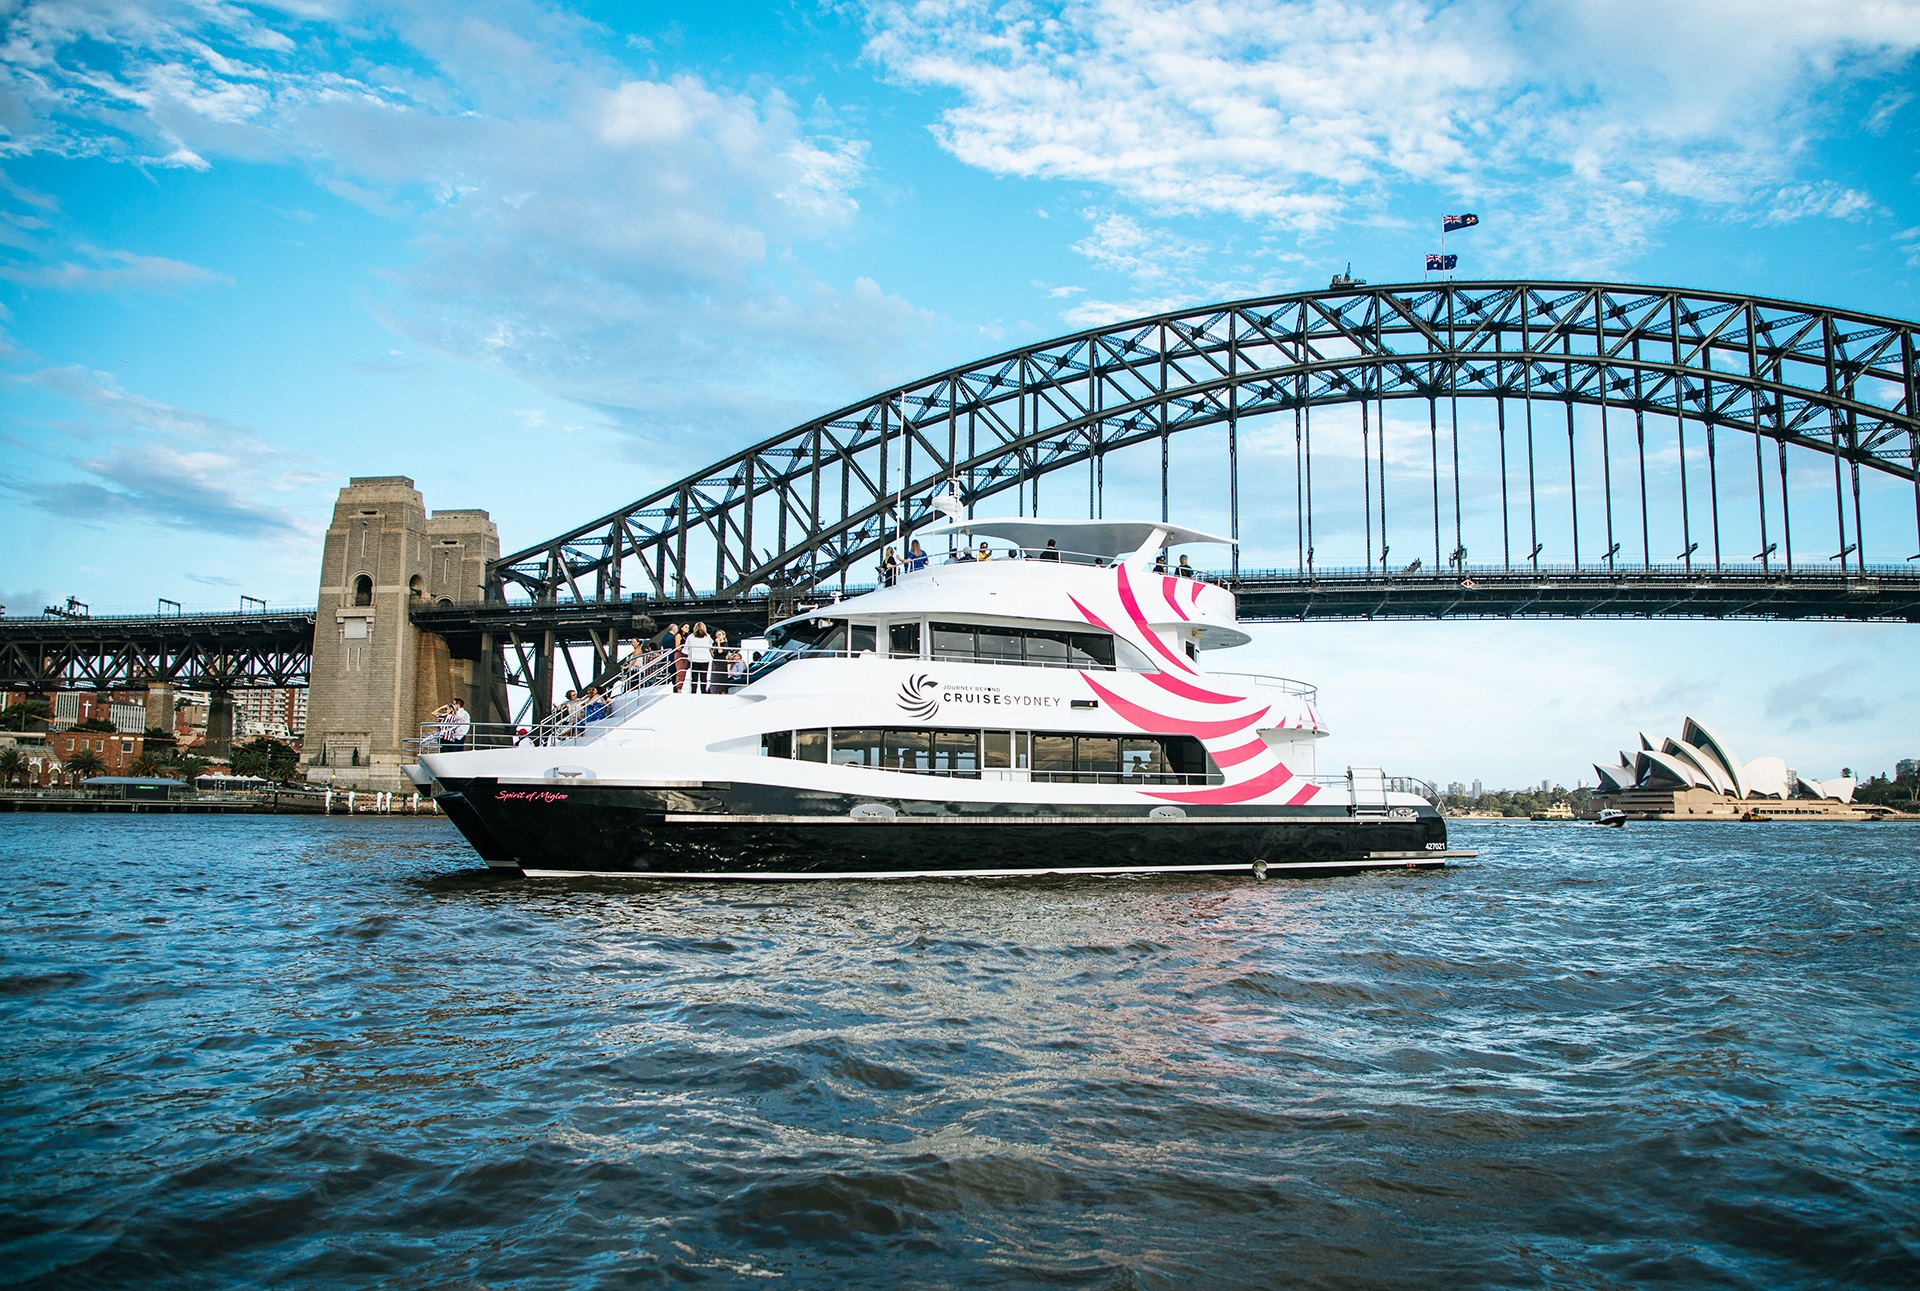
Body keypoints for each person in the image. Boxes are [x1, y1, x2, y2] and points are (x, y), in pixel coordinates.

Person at [685, 622, 714, 693]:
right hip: (704, 659)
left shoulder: (690, 636)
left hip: (694, 659)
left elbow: (686, 648)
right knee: (704, 677)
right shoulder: (707, 636)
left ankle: (693, 692)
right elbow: (710, 646)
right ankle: (703, 691)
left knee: (694, 678)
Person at [671, 624, 689, 693]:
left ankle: (682, 687)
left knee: (684, 672)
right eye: (686, 627)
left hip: (686, 654)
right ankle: (679, 688)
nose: (687, 629)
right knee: (680, 671)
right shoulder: (678, 635)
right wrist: (684, 650)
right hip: (680, 654)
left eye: (688, 627)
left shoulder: (686, 636)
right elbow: (677, 647)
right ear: (681, 628)